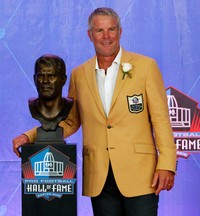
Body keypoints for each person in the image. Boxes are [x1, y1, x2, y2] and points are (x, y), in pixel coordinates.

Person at [13, 7, 177, 216]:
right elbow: (71, 122)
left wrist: (167, 164)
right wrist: (29, 136)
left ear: (120, 31)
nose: (106, 36)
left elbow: (161, 119)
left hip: (141, 174)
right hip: (99, 177)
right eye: (99, 31)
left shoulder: (146, 67)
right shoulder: (79, 74)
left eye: (112, 29)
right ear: (90, 35)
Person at [28, 54, 73, 132]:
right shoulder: (32, 106)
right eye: (41, 76)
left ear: (63, 80)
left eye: (51, 76)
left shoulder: (69, 106)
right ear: (35, 79)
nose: (45, 81)